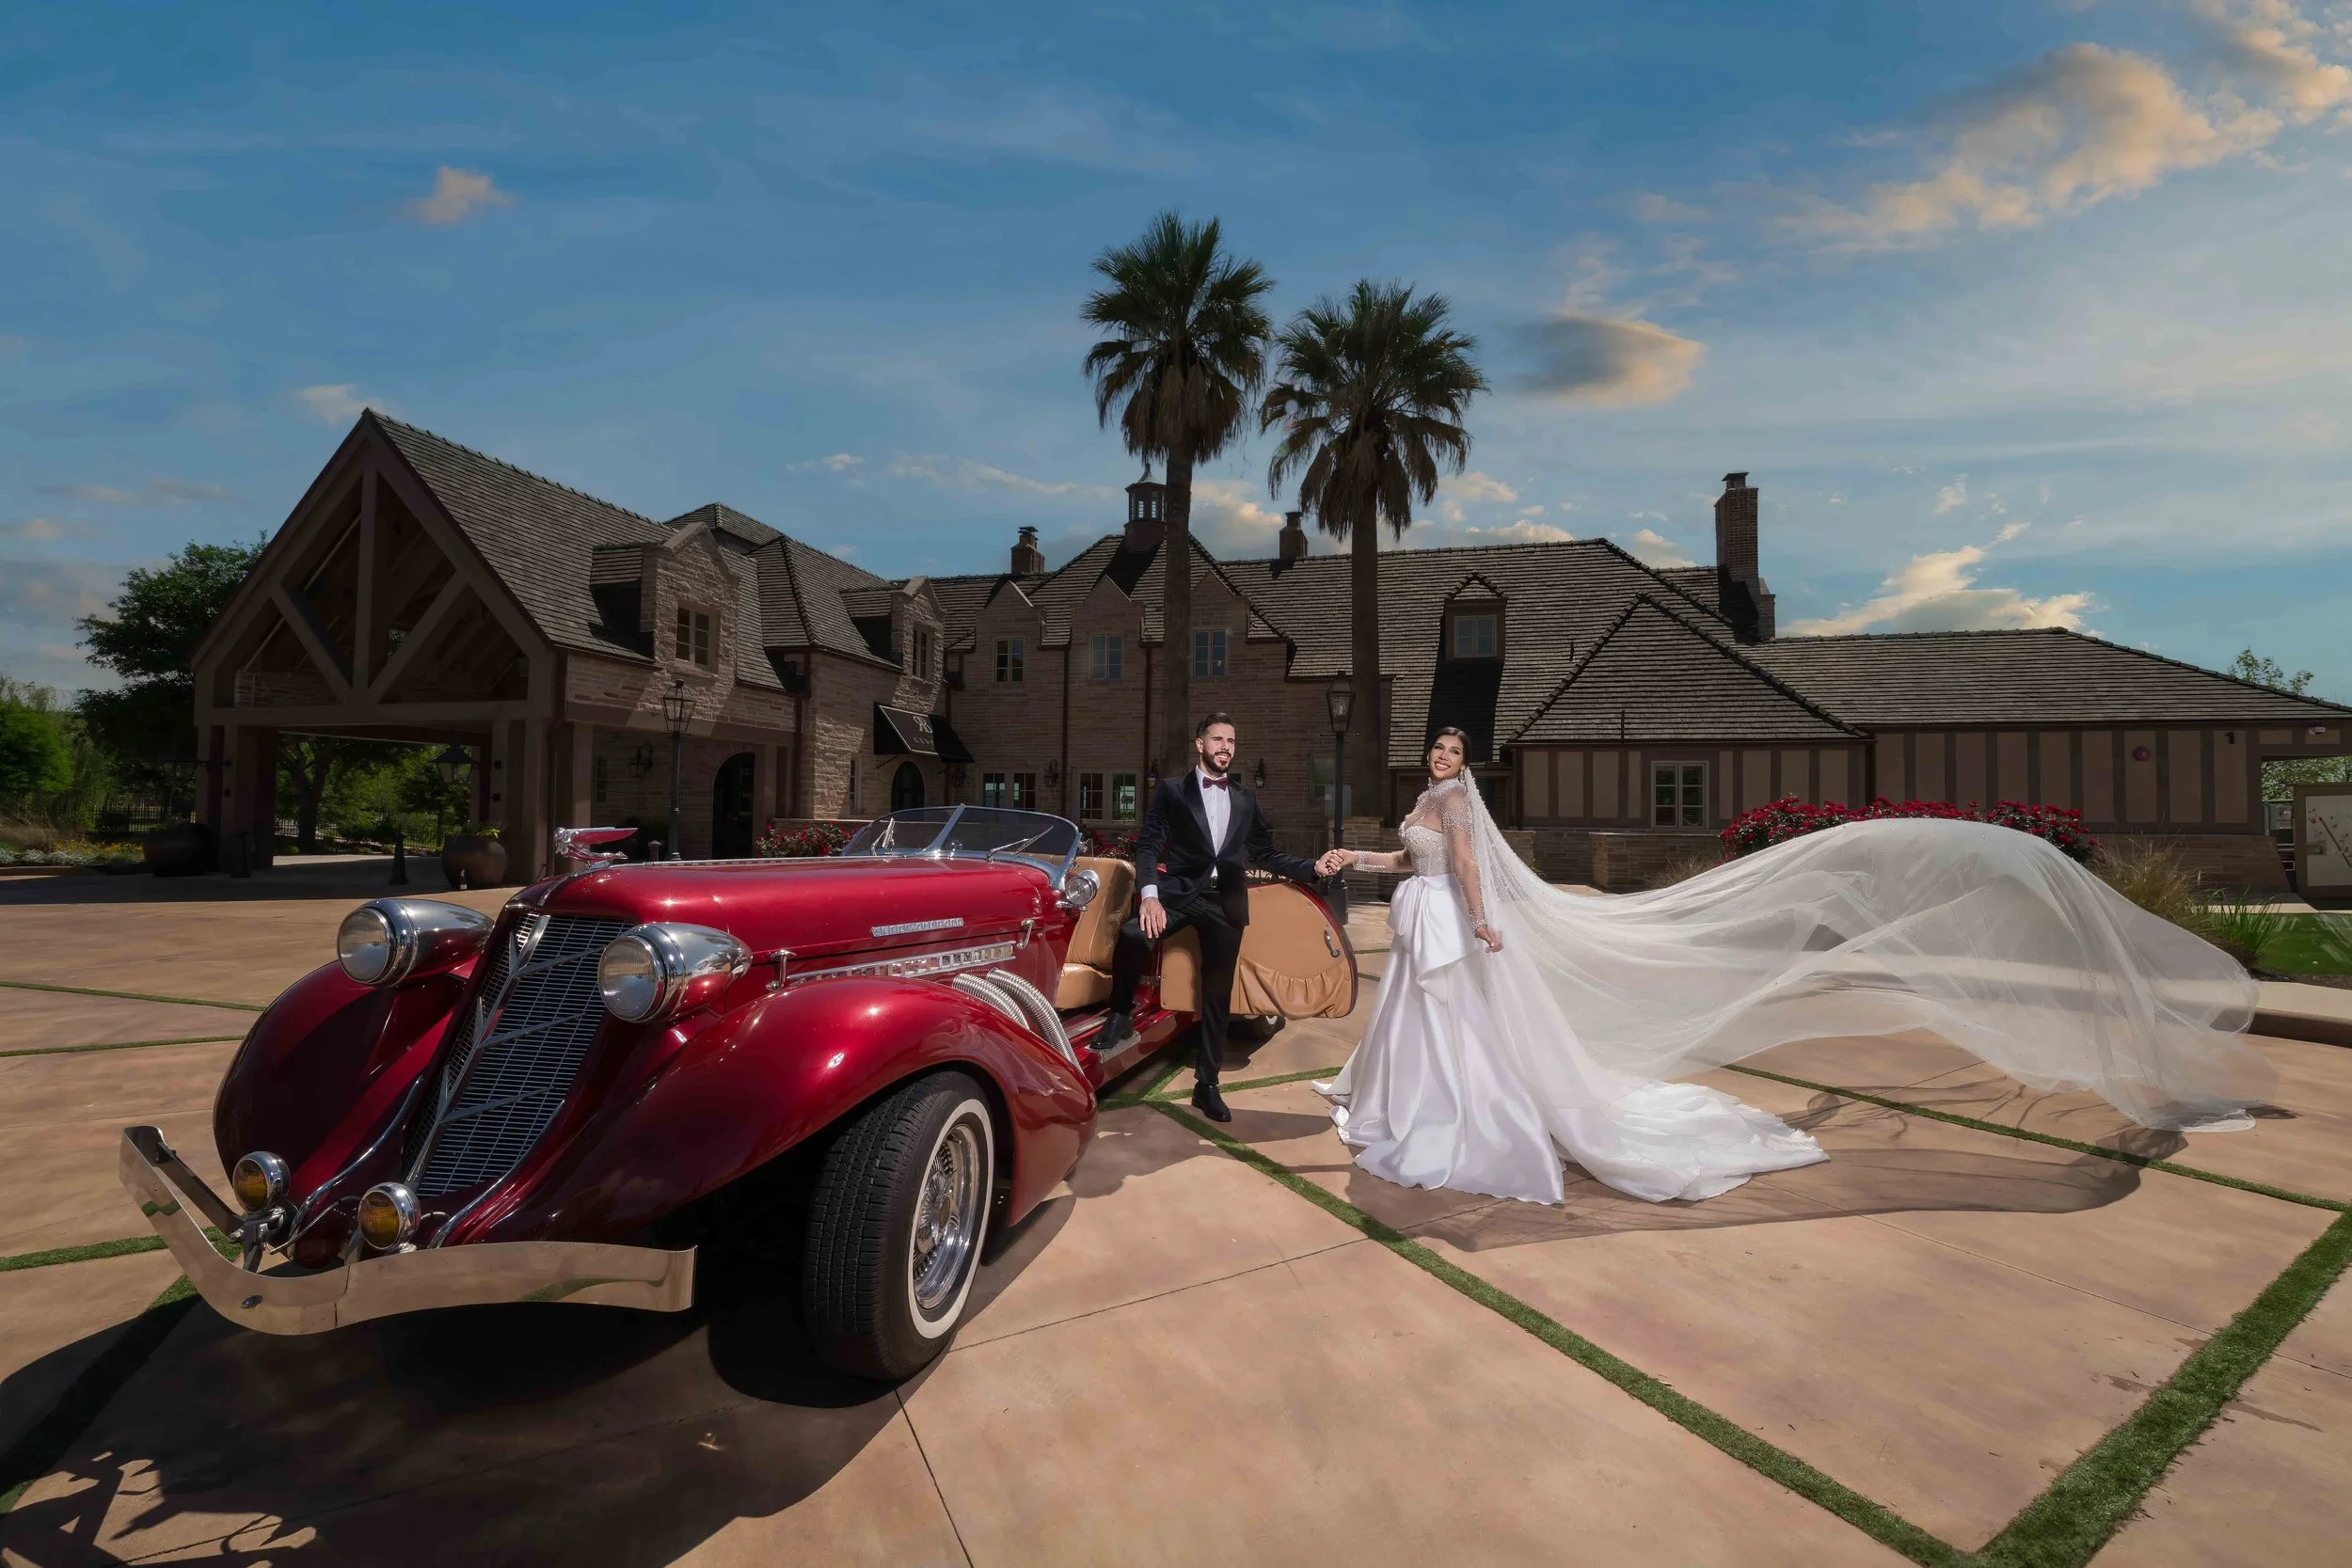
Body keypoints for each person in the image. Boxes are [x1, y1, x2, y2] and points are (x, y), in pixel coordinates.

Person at [1311, 727, 2275, 1205]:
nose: (1442, 756)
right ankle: (1410, 1102)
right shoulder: (1424, 809)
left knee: (1463, 1027)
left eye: (1452, 749)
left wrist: (1482, 923)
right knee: (1423, 1024)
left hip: (1449, 926)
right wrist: (1351, 858)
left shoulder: (1458, 807)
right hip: (1420, 913)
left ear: (1461, 763)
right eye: (1437, 746)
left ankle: (1459, 1117)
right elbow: (1410, 861)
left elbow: (1470, 870)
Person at [1095, 713, 1326, 1122]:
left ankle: (1208, 1085)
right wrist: (1149, 896)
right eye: (1217, 739)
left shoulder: (1244, 798)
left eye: (1231, 741)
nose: (1225, 747)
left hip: (1226, 904)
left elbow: (1266, 853)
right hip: (1181, 895)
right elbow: (1148, 846)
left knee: (1217, 997)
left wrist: (1312, 868)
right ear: (1199, 744)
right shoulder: (1172, 791)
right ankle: (1121, 1014)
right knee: (1133, 936)